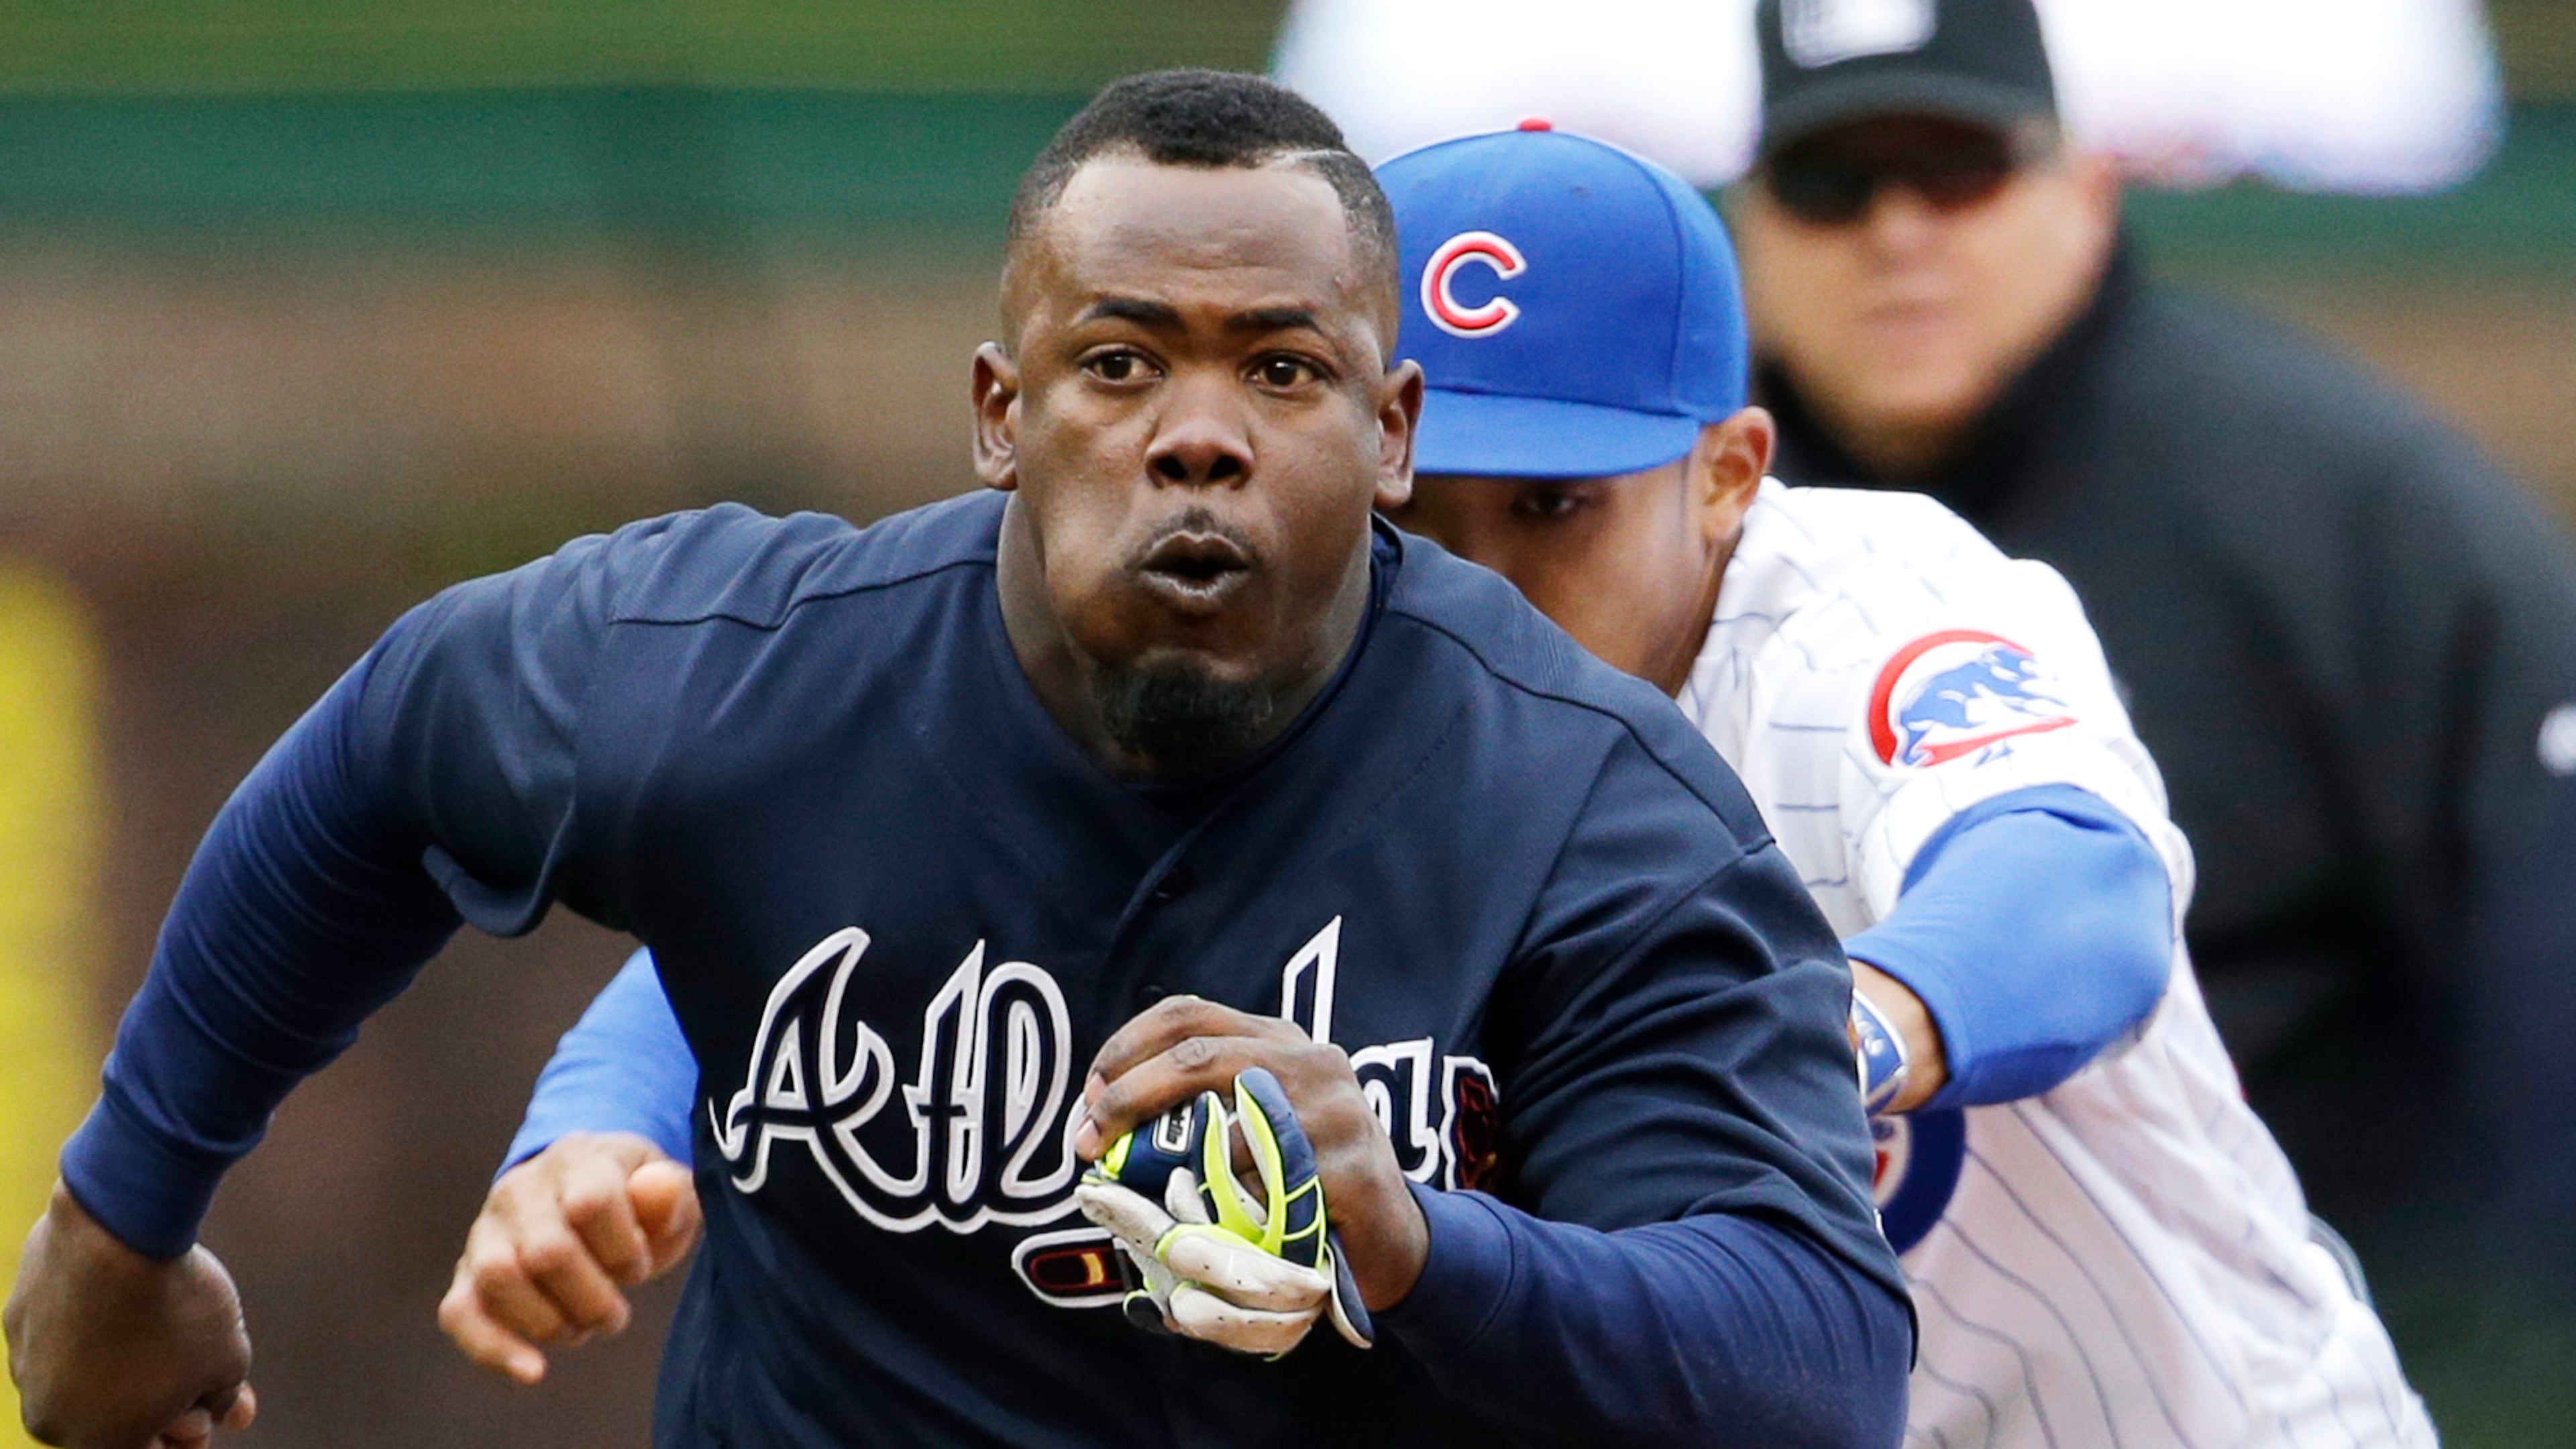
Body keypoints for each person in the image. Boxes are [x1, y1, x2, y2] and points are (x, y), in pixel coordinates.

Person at [3, 70, 1914, 1449]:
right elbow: (387, 753)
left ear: (1394, 431)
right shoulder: (749, 670)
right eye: (1119, 362)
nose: (1198, 435)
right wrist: (120, 1227)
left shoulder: (1585, 800)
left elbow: (1819, 1358)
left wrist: (1427, 1247)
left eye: (1283, 370)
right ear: (1000, 414)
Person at [451, 125, 2434, 1446]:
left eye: (1557, 505)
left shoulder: (1867, 611)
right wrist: (593, 1125)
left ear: (1733, 472)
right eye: (1426, 499)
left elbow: (2075, 885)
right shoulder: (1274, 674)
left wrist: (1851, 1021)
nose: (1472, 574)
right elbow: (848, 890)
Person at [1735, 0, 2576, 1258]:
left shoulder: (2353, 503)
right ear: (1750, 228)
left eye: (1959, 170)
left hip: (2264, 1335)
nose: (1897, 234)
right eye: (1830, 184)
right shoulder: (1655, 525)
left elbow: (2541, 978)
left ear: (2087, 191)